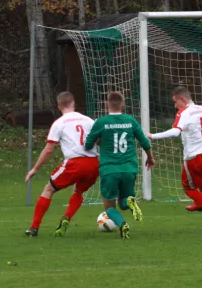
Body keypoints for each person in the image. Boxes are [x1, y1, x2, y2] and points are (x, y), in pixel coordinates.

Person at [146, 86, 202, 229]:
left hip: (194, 157)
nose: (175, 106)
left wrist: (152, 136)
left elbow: (176, 132)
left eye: (176, 102)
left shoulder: (184, 112)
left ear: (182, 99)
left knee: (188, 188)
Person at [24, 91, 99, 237]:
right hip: (94, 163)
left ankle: (34, 228)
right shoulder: (89, 120)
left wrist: (35, 169)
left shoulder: (59, 123)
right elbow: (99, 140)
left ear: (59, 106)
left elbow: (48, 150)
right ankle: (67, 217)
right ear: (74, 104)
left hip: (75, 163)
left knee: (48, 190)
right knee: (78, 191)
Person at [84, 91, 155, 239]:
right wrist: (150, 157)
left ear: (106, 105)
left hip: (109, 169)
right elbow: (144, 141)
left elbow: (88, 144)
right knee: (124, 202)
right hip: (129, 168)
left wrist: (100, 141)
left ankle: (122, 225)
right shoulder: (131, 120)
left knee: (109, 207)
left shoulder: (101, 122)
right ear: (122, 105)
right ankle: (130, 202)